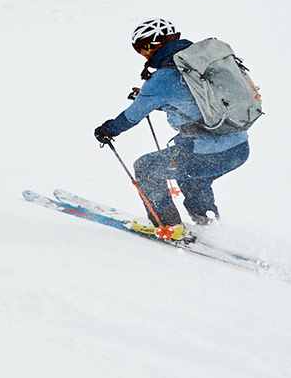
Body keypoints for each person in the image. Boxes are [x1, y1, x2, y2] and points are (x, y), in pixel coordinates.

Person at [92, 19, 250, 238]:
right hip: (239, 147)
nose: (144, 55)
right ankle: (210, 227)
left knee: (147, 167)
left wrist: (108, 129)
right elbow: (194, 103)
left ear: (154, 44)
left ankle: (167, 226)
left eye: (142, 49)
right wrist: (152, 97)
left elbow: (132, 116)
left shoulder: (163, 78)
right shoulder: (200, 64)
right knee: (193, 177)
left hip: (207, 152)